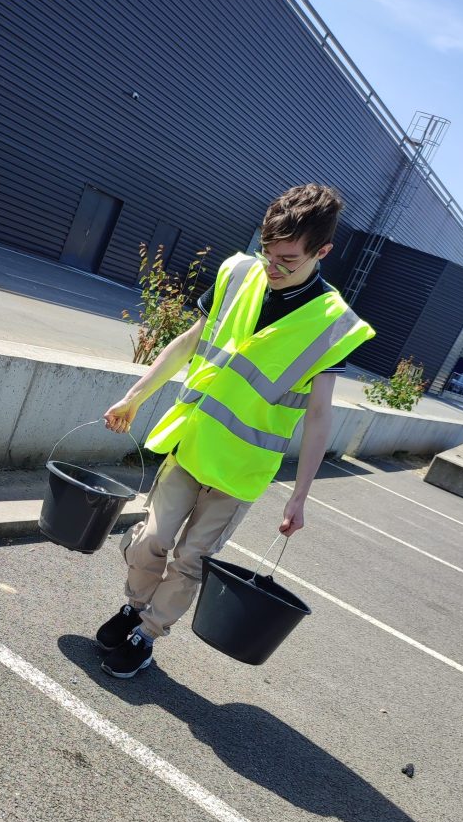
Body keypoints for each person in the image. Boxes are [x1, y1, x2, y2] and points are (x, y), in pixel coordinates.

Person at [96, 183, 375, 678]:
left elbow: (319, 416)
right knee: (147, 542)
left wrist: (300, 497)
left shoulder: (334, 324)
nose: (272, 266)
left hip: (242, 469)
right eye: (267, 251)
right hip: (192, 441)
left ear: (323, 252)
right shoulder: (238, 272)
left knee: (190, 561)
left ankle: (147, 635)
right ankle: (134, 608)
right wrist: (133, 396)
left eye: (287, 259)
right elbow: (190, 341)